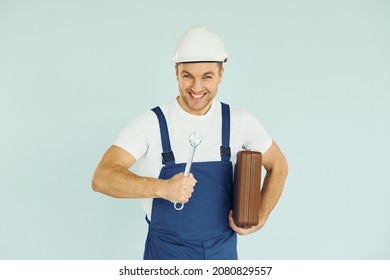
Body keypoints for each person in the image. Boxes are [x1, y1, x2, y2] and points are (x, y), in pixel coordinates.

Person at [92, 26, 288, 260]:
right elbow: (102, 178)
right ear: (176, 72)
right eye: (188, 76)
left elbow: (279, 165)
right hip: (166, 256)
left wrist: (262, 214)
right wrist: (162, 188)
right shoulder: (151, 123)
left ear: (221, 74)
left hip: (222, 255)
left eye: (207, 77)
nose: (196, 88)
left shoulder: (240, 122)